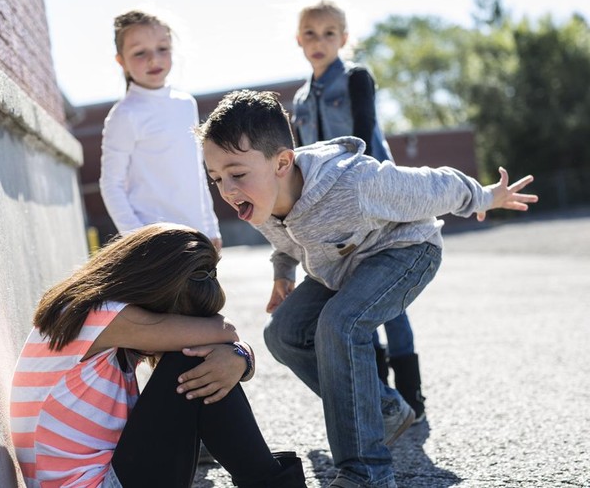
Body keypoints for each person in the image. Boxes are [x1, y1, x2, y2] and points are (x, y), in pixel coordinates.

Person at [196, 90, 537, 488]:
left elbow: (433, 185)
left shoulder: (355, 182)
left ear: (282, 163)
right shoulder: (258, 198)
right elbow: (285, 241)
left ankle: (368, 472)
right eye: (216, 178)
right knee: (282, 335)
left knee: (340, 324)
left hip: (406, 251)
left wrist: (484, 196)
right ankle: (384, 409)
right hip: (342, 267)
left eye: (236, 174)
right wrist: (283, 274)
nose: (227, 189)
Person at [10, 223, 307, 488]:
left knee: (201, 360)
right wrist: (237, 353)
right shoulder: (101, 316)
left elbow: (226, 339)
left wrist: (240, 357)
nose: (180, 332)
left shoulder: (91, 315)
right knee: (192, 359)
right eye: (179, 320)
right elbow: (224, 331)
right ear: (154, 291)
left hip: (106, 476)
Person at [291, 0, 424, 422]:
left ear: (344, 39)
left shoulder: (355, 79)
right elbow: (300, 159)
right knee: (353, 297)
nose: (319, 41)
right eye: (310, 33)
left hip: (375, 202)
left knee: (389, 301)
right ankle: (382, 398)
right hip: (330, 213)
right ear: (299, 39)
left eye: (330, 33)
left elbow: (364, 136)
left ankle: (411, 395)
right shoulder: (298, 98)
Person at [100, 10, 221, 251]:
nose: (153, 59)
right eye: (139, 53)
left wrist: (211, 227)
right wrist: (138, 238)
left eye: (162, 49)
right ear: (121, 61)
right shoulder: (125, 115)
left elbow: (196, 172)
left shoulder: (186, 104)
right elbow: (110, 184)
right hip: (156, 243)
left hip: (197, 236)